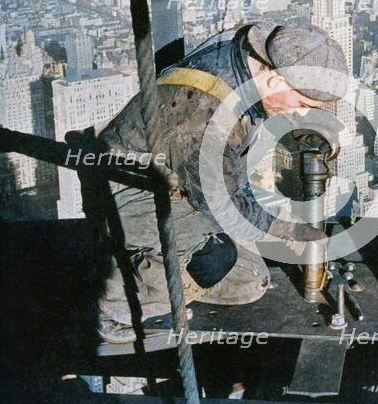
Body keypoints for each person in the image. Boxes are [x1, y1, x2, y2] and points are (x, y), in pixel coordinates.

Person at [95, 22, 349, 343]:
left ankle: (158, 265)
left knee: (248, 273)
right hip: (128, 193)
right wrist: (291, 232)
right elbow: (223, 206)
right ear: (273, 79)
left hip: (171, 177)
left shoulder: (244, 61)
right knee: (231, 269)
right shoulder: (206, 114)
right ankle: (112, 301)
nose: (303, 115)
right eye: (302, 106)